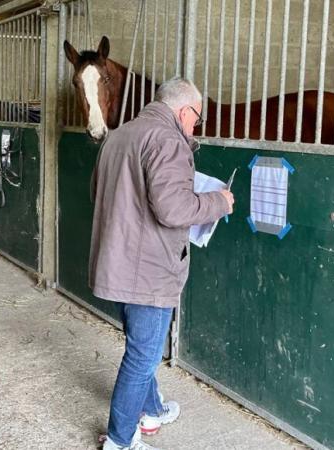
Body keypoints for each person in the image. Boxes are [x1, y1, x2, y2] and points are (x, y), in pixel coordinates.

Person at [90, 78, 235, 450]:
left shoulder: (119, 135)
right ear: (184, 111)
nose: (193, 129)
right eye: (196, 120)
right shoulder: (169, 140)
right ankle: (121, 441)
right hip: (148, 270)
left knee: (143, 345)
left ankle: (151, 411)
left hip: (117, 260)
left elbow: (98, 192)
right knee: (143, 356)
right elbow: (175, 210)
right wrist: (219, 201)